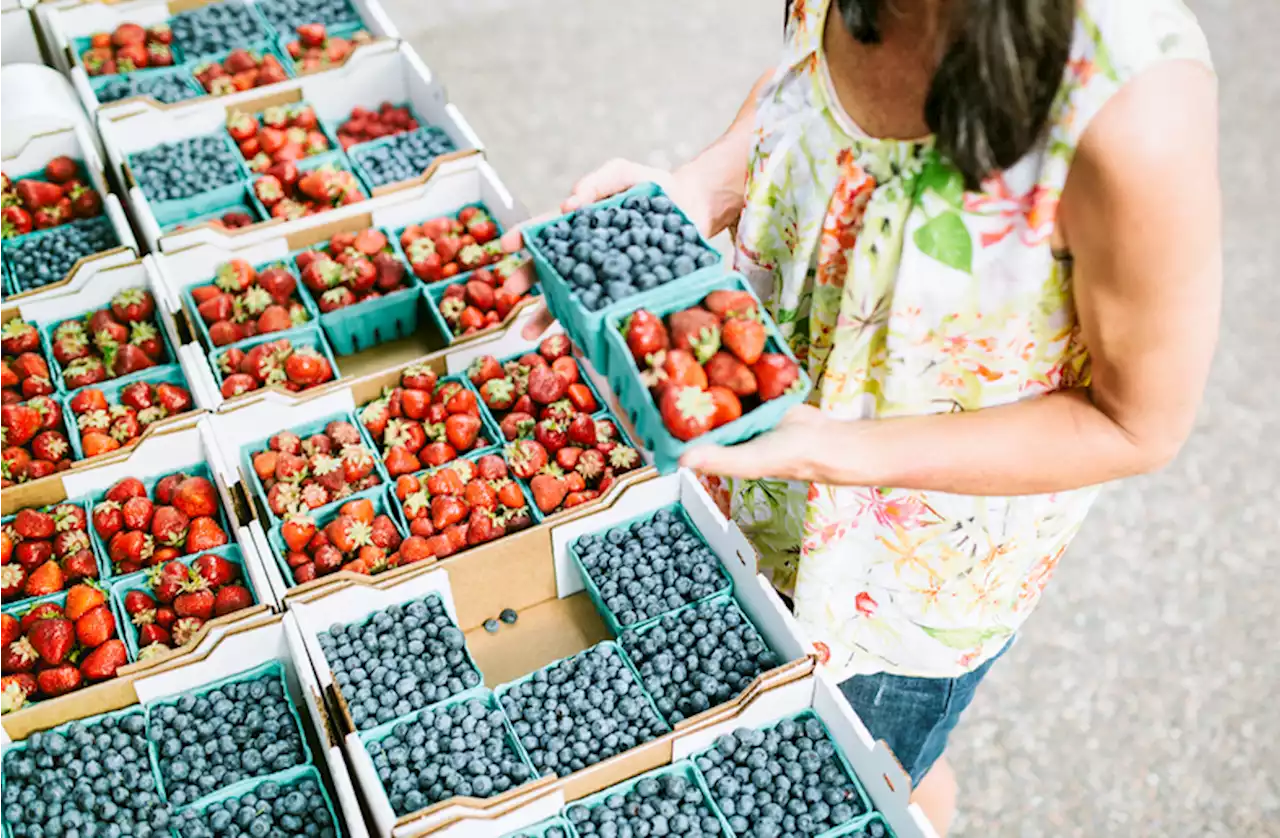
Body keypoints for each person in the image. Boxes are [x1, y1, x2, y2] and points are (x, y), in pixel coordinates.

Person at [503, 0, 1220, 833]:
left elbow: (1139, 426)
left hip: (895, 589)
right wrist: (704, 185)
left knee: (863, 753)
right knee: (895, 768)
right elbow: (804, 92)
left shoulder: (1130, 100)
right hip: (760, 480)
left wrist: (832, 449)